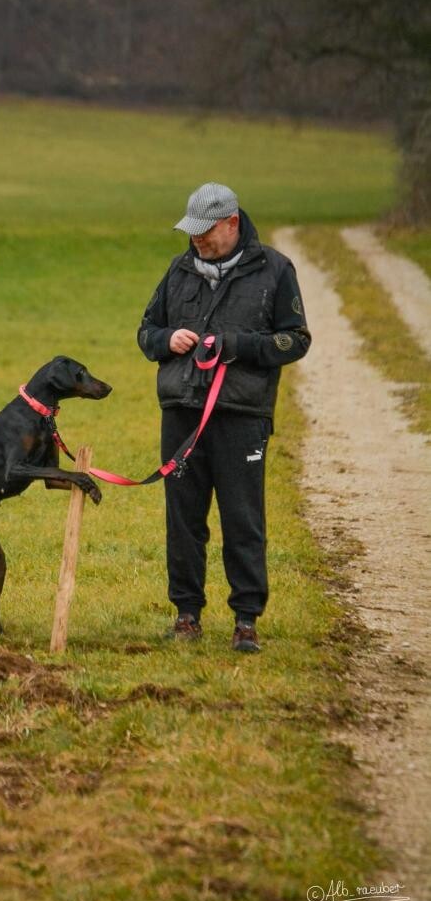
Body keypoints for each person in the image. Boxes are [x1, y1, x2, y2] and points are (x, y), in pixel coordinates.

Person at [137, 183, 311, 652]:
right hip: (182, 415)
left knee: (242, 518)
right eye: (191, 231)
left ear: (232, 223)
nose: (197, 240)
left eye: (205, 232)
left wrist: (237, 345)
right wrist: (165, 340)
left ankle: (246, 620)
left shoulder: (275, 270)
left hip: (241, 416)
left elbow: (295, 340)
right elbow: (146, 331)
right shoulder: (178, 271)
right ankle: (187, 615)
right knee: (183, 519)